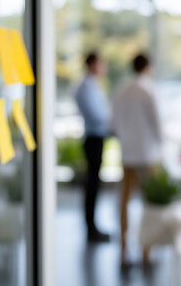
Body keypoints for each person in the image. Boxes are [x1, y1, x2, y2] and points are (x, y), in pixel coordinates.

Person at [112, 54, 163, 265]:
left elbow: (113, 121)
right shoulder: (148, 89)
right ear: (148, 67)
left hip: (128, 153)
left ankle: (123, 247)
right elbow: (157, 123)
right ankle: (146, 250)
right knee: (148, 204)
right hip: (147, 155)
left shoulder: (121, 89)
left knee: (124, 202)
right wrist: (162, 147)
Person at [74, 53, 111, 242]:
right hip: (93, 137)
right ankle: (91, 228)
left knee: (94, 184)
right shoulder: (87, 86)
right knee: (92, 184)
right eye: (101, 63)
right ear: (93, 64)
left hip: (97, 136)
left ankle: (93, 227)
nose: (103, 67)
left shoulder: (93, 85)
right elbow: (98, 115)